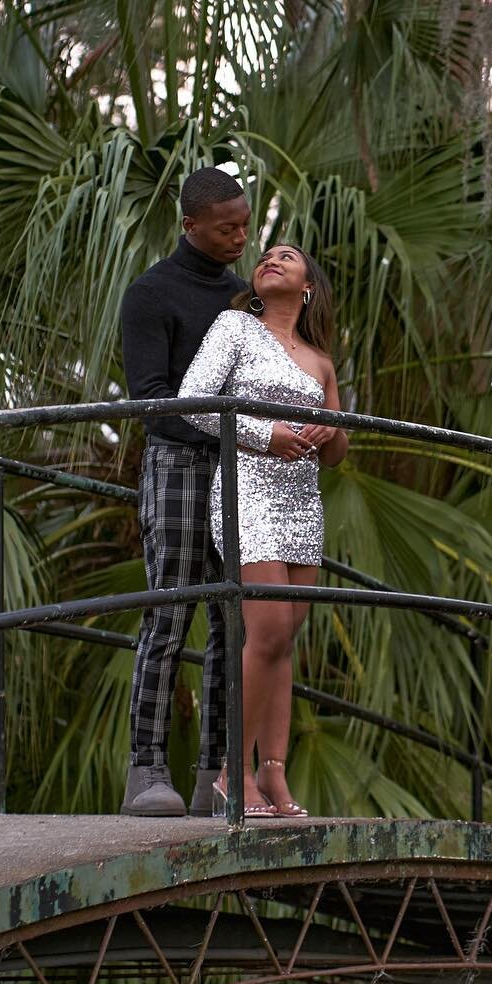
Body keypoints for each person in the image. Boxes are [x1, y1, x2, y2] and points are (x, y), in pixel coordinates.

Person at [117, 169, 317, 816]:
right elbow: (153, 402)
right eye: (227, 227)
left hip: (251, 479)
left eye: (245, 223)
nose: (241, 237)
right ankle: (147, 769)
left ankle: (216, 774)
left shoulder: (246, 300)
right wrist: (247, 433)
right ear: (190, 226)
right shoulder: (152, 293)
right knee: (170, 615)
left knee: (239, 625)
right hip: (179, 465)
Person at [177, 243, 348, 817]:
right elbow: (192, 402)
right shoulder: (234, 328)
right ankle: (233, 770)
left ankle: (275, 775)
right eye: (267, 254)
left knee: (284, 639)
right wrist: (263, 434)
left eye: (288, 255)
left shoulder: (321, 361)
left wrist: (329, 431)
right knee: (268, 628)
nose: (272, 257)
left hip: (303, 499)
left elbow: (338, 454)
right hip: (248, 486)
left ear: (307, 288)